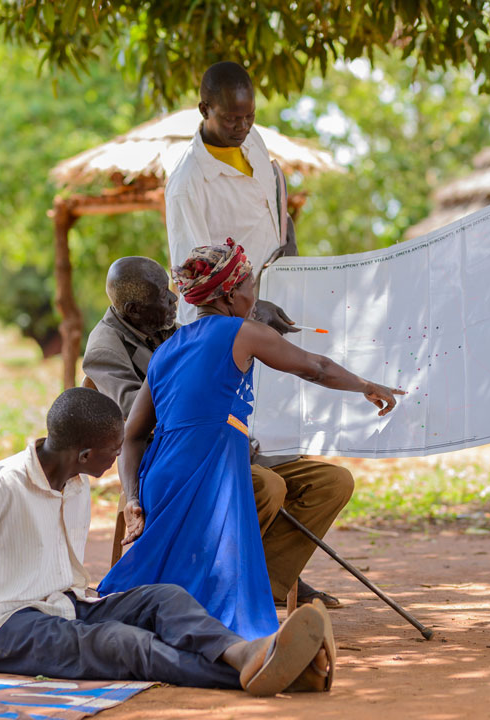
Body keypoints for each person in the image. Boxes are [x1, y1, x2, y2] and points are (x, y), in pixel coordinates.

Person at [0, 387, 335, 696]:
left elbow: (67, 578)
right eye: (110, 451)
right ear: (81, 455)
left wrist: (103, 604)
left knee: (163, 598)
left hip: (60, 606)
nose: (117, 458)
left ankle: (246, 653)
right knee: (122, 647)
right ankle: (261, 675)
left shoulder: (74, 486)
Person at [96, 241, 402, 639]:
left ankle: (247, 591)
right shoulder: (243, 333)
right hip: (208, 470)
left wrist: (136, 496)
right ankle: (227, 610)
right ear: (229, 295)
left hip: (165, 476)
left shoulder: (168, 348)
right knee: (224, 610)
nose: (253, 298)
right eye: (250, 289)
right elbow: (316, 368)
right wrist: (366, 385)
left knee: (173, 593)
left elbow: (134, 436)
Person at [162, 60, 360, 609]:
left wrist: (292, 268)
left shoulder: (259, 147)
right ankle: (240, 576)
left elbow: (278, 220)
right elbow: (191, 275)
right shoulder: (188, 184)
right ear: (204, 111)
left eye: (249, 116)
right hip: (223, 329)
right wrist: (248, 308)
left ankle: (279, 570)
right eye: (230, 119)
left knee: (280, 445)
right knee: (251, 462)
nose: (242, 127)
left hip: (267, 308)